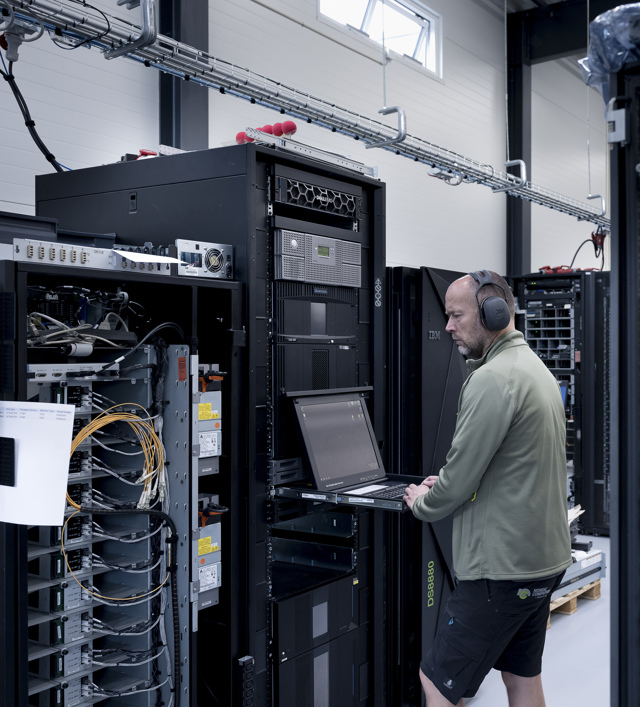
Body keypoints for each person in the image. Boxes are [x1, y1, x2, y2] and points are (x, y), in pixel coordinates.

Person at [403, 270, 572, 707]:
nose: (448, 327)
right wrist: (459, 479)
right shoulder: (533, 367)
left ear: (493, 314)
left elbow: (458, 480)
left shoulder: (493, 378)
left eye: (457, 315)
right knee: (521, 679)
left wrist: (424, 501)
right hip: (542, 561)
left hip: (502, 570)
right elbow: (512, 464)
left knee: (436, 683)